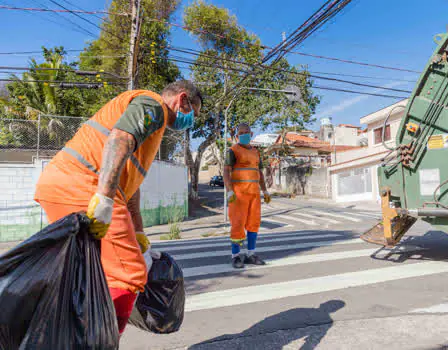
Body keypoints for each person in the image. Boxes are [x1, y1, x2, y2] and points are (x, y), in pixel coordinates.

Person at [34, 80, 202, 335]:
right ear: (182, 100)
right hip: (84, 184)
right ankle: (99, 342)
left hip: (62, 184)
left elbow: (131, 187)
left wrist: (139, 233)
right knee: (130, 272)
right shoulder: (153, 104)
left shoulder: (152, 131)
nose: (191, 120)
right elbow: (119, 139)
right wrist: (104, 197)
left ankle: (76, 335)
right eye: (194, 113)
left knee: (93, 275)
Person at [224, 123, 271, 269]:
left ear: (251, 134)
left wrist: (265, 191)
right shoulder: (232, 151)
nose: (244, 134)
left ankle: (251, 254)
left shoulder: (256, 152)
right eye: (241, 132)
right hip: (238, 195)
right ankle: (236, 256)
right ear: (237, 135)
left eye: (246, 132)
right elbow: (226, 171)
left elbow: (260, 173)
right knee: (238, 225)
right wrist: (229, 190)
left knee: (253, 224)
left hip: (254, 194)